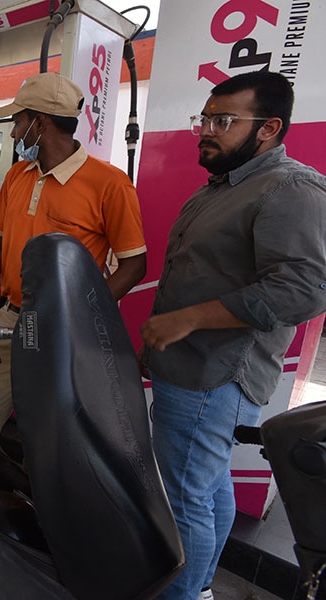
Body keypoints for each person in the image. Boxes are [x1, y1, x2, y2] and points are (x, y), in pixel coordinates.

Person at [140, 71, 326, 600]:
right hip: (187, 364)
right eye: (205, 118)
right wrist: (160, 339)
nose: (207, 130)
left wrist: (191, 319)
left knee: (185, 497)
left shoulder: (291, 188)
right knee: (206, 484)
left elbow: (304, 290)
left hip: (214, 374)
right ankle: (198, 588)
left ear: (269, 128)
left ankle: (186, 593)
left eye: (223, 121)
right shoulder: (225, 186)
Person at [0, 72, 147, 436]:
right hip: (10, 319)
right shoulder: (17, 175)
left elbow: (134, 265)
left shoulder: (109, 184)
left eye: (18, 122)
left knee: (52, 430)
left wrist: (78, 313)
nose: (14, 133)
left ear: (40, 123)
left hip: (66, 334)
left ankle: (39, 490)